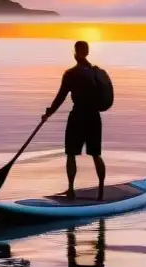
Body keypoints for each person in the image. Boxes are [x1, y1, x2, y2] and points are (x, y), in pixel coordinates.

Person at [42, 40, 106, 200]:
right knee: (96, 154)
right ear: (87, 52)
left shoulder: (71, 74)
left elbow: (60, 97)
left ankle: (71, 189)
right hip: (94, 117)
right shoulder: (96, 72)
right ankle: (101, 192)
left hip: (78, 116)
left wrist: (49, 113)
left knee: (71, 154)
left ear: (76, 53)